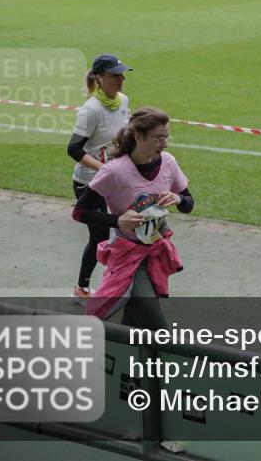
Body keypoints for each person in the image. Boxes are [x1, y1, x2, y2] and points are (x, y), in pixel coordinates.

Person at [72, 106, 193, 330]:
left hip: (155, 254)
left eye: (167, 137)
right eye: (158, 138)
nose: (164, 143)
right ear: (138, 136)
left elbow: (189, 203)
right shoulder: (115, 171)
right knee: (159, 332)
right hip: (128, 258)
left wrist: (177, 198)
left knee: (136, 326)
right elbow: (80, 212)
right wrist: (117, 221)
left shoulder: (168, 162)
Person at [68, 53, 132, 301]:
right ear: (99, 78)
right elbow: (73, 149)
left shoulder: (123, 100)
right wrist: (104, 169)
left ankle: (120, 281)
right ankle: (83, 288)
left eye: (122, 74)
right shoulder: (90, 110)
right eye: (115, 75)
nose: (122, 79)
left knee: (127, 230)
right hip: (89, 184)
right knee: (100, 236)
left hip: (115, 181)